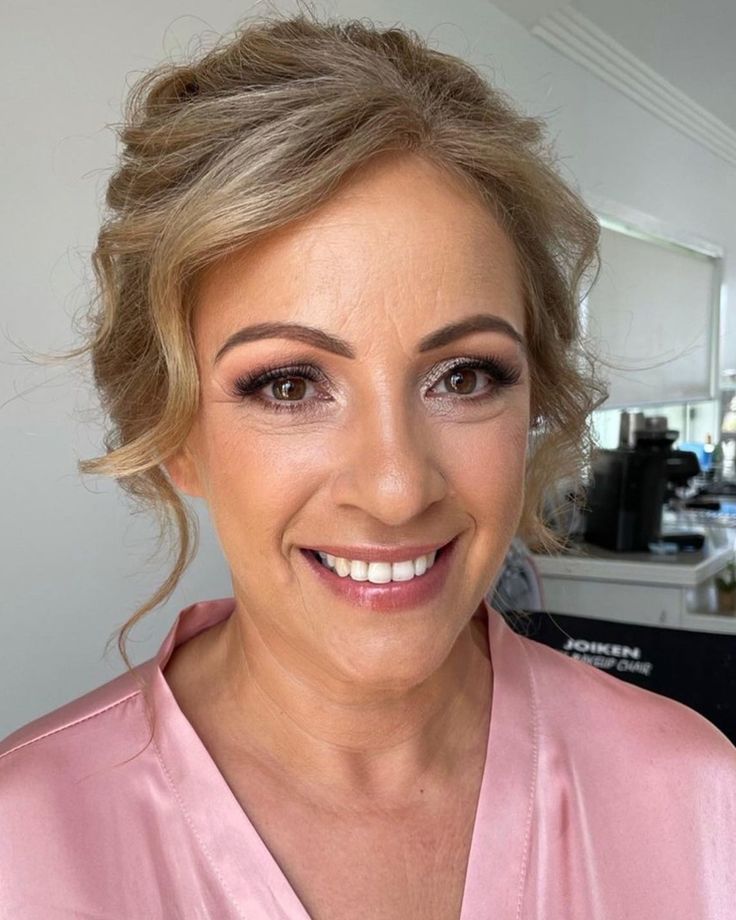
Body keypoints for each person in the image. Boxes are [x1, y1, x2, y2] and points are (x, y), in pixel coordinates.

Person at [1, 10, 734, 920]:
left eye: (464, 376)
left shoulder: (704, 804)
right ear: (175, 432)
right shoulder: (23, 845)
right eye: (288, 385)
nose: (395, 489)